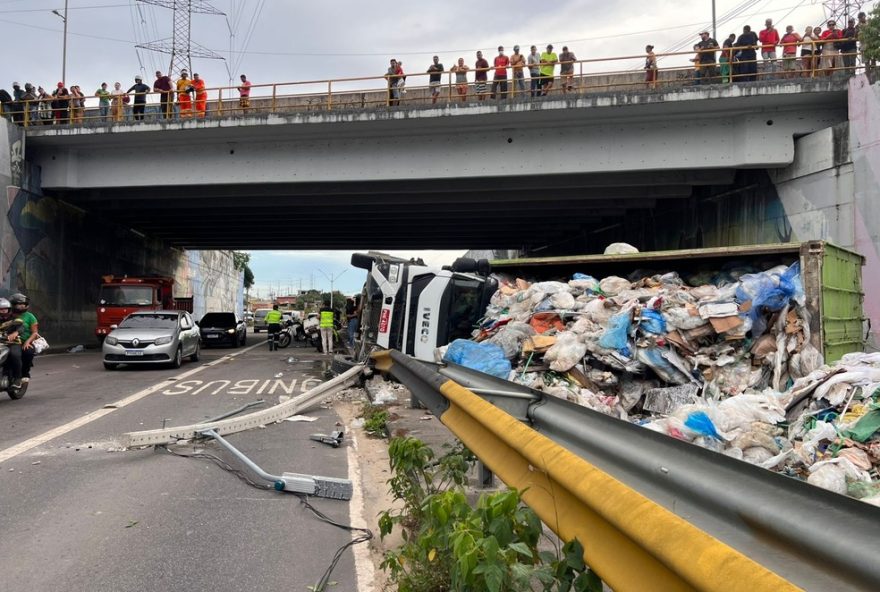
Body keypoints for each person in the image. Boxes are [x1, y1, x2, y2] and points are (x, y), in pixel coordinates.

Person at [10, 293, 38, 383]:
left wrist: (28, 342)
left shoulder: (30, 316)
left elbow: (35, 333)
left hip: (24, 341)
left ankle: (25, 373)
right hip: (9, 341)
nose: (22, 306)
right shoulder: (8, 315)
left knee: (28, 352)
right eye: (19, 304)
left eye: (24, 304)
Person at [0, 298, 23, 389]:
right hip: (0, 343)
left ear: (9, 309)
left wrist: (16, 333)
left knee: (15, 355)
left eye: (5, 309)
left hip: (13, 343)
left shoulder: (15, 318)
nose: (3, 311)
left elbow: (21, 328)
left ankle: (18, 379)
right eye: (1, 309)